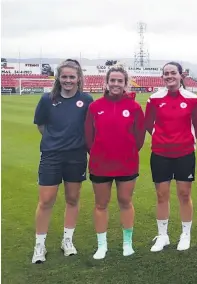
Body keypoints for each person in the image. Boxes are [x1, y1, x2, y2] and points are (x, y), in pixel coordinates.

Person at [31, 59, 93, 264]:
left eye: (71, 77)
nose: (68, 80)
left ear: (78, 79)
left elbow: (89, 127)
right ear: (58, 78)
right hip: (51, 155)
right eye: (64, 76)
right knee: (46, 200)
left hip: (76, 156)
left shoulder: (86, 99)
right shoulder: (47, 99)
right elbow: (41, 125)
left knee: (73, 199)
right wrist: (54, 141)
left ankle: (67, 240)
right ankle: (39, 245)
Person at [84, 64, 146, 260]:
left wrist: (126, 152)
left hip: (126, 163)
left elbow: (139, 137)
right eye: (113, 80)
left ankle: (127, 243)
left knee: (125, 202)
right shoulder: (95, 106)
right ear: (107, 82)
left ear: (126, 83)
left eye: (120, 81)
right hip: (100, 164)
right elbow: (88, 137)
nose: (116, 84)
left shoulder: (134, 107)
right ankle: (102, 245)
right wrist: (98, 153)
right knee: (101, 204)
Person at [145, 62, 197, 252]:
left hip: (184, 153)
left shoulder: (192, 99)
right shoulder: (154, 98)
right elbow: (148, 123)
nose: (169, 76)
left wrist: (185, 140)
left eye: (173, 73)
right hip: (160, 153)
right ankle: (163, 235)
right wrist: (162, 139)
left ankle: (185, 234)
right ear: (163, 77)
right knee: (162, 195)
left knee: (184, 195)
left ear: (180, 75)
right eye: (166, 73)